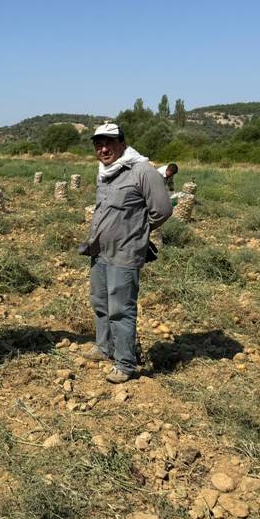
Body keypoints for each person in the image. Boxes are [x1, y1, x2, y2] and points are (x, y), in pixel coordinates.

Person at [80, 123, 172, 383]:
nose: (104, 148)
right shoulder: (106, 172)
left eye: (110, 142)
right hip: (100, 251)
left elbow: (162, 210)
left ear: (122, 143)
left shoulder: (142, 171)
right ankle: (104, 346)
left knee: (121, 308)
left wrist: (137, 230)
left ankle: (125, 363)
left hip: (125, 252)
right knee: (100, 302)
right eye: (99, 144)